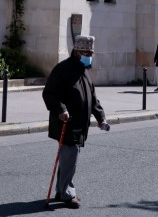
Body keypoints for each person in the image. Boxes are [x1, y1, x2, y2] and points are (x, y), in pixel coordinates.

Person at [42, 35, 108, 209]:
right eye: (88, 53)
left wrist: (101, 117)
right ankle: (67, 193)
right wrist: (61, 109)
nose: (90, 56)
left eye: (91, 53)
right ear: (78, 52)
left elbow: (92, 98)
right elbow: (49, 93)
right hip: (66, 122)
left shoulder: (84, 71)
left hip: (80, 124)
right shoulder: (62, 69)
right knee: (70, 158)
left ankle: (61, 189)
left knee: (68, 158)